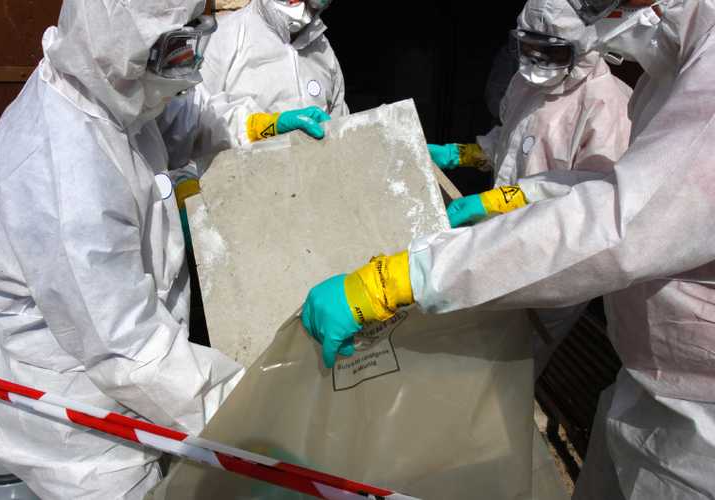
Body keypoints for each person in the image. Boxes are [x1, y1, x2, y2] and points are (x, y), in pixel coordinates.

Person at [301, 1, 715, 498]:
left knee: (504, 371)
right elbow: (609, 188)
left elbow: (619, 225)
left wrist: (407, 278)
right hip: (649, 383)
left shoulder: (636, 89)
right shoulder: (676, 62)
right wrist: (505, 190)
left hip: (698, 422)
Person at [0, 1, 244, 498]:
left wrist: (255, 126)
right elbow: (131, 350)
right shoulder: (68, 177)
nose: (186, 65)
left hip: (118, 381)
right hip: (81, 431)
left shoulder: (107, 87)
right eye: (174, 48)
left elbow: (177, 119)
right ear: (120, 37)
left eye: (194, 37)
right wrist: (253, 412)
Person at [435, 0, 635, 376]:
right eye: (528, 48)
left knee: (512, 365)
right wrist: (462, 154)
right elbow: (511, 142)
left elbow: (594, 202)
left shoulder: (608, 106)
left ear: (584, 46)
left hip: (552, 263)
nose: (536, 61)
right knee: (471, 345)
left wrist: (504, 200)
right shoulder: (525, 82)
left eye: (550, 51)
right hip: (498, 237)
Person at [196, 0, 348, 146]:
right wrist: (263, 127)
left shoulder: (324, 51)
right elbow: (196, 124)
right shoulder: (221, 37)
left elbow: (342, 131)